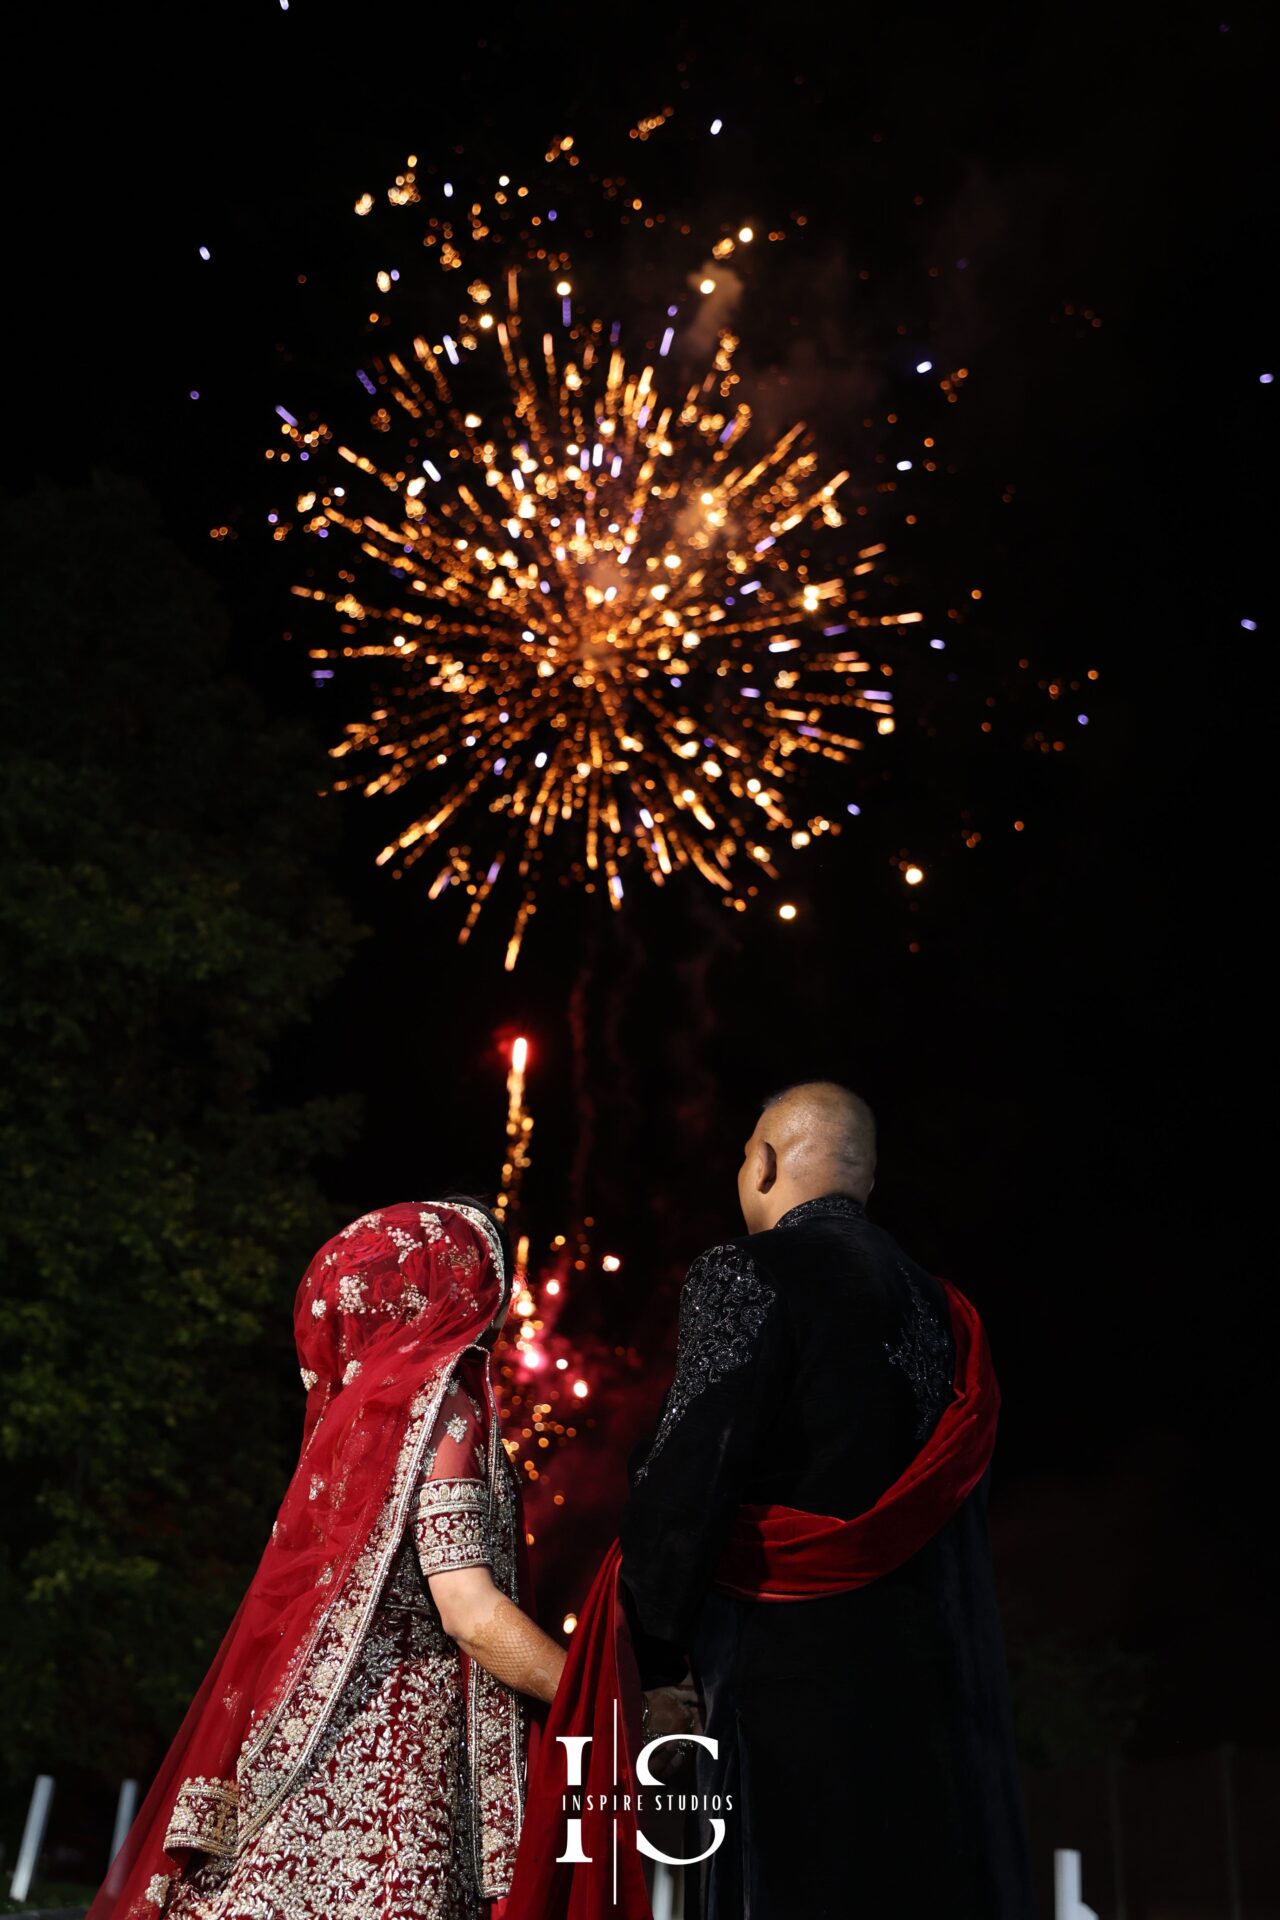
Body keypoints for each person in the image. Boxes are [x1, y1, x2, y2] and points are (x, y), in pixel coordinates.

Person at [617, 1082, 1035, 1919]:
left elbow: (689, 1475)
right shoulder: (951, 1311)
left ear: (763, 1163)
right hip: (942, 1703)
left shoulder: (746, 1270)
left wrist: (655, 1658)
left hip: (795, 1692)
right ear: (866, 1182)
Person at [90, 1199, 567, 1920]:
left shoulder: (356, 1426)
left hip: (296, 1767)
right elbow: (469, 1611)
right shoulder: (444, 1411)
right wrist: (596, 1690)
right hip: (394, 1780)